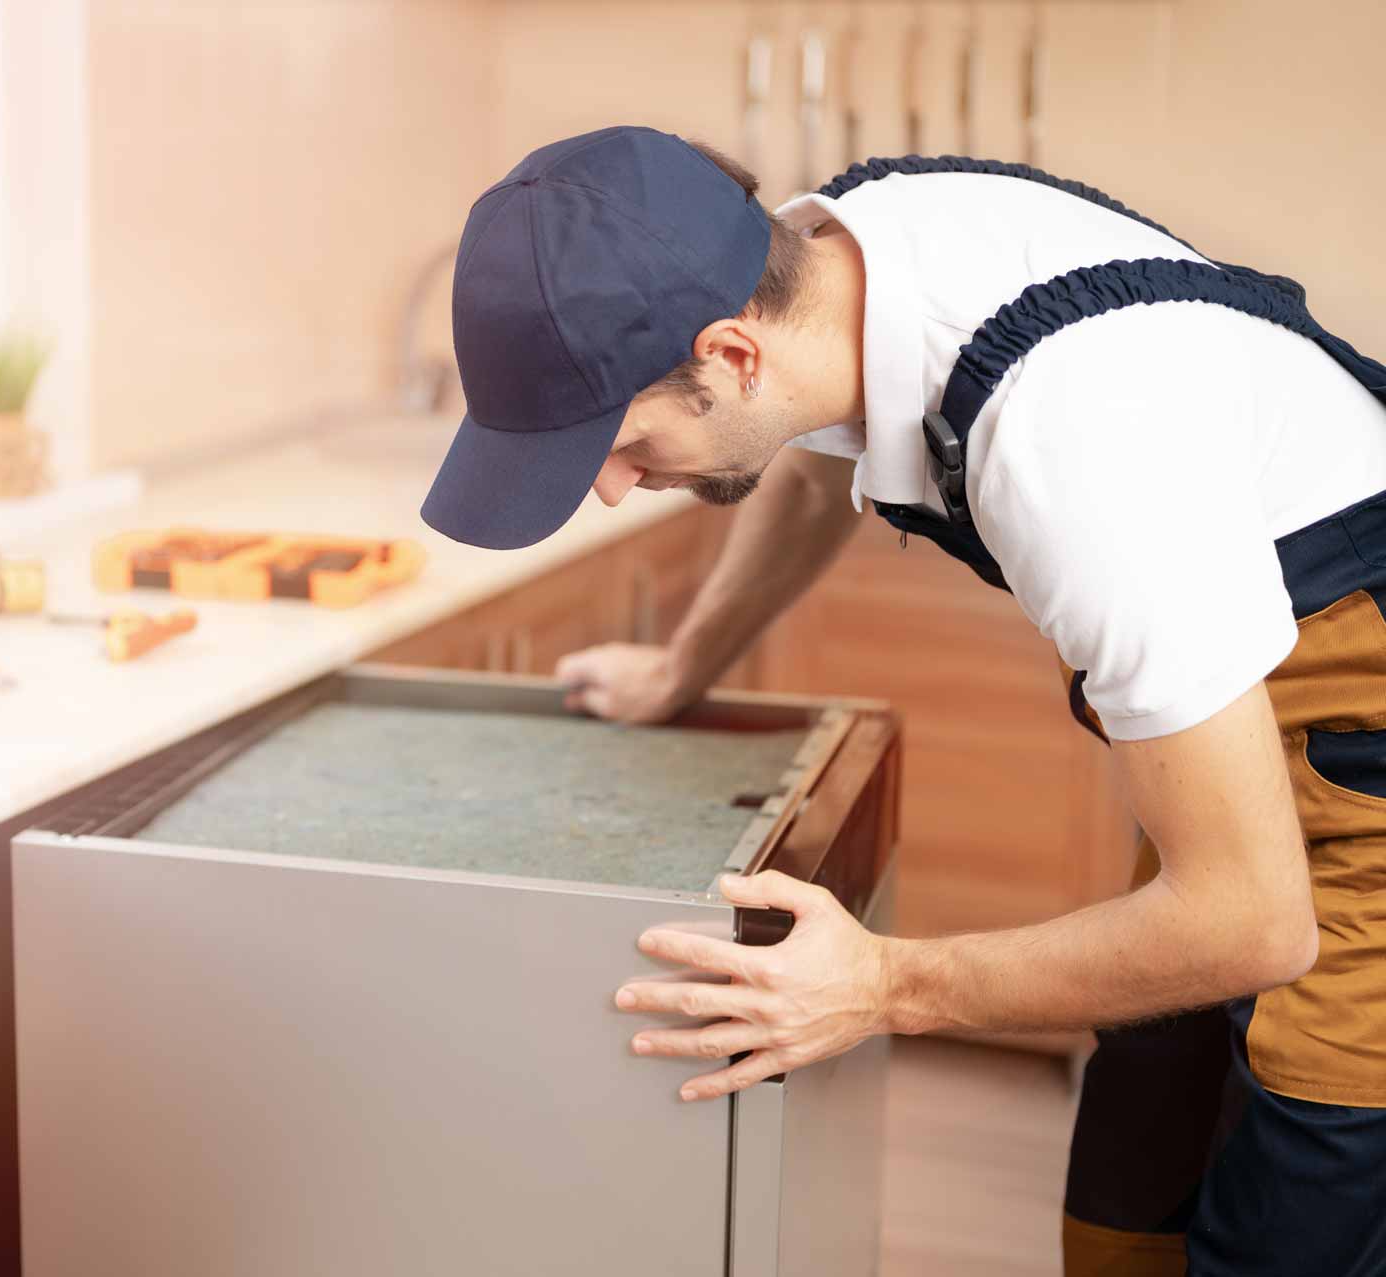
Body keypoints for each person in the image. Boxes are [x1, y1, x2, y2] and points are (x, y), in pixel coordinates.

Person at [418, 125, 1386, 1276]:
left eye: (624, 442)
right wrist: (688, 662)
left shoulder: (1076, 438)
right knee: (1133, 1194)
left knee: (1296, 1216)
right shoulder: (833, 256)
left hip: (1355, 788)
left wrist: (885, 983)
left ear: (729, 353)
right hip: (1260, 734)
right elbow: (811, 455)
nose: (614, 489)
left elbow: (1250, 920)